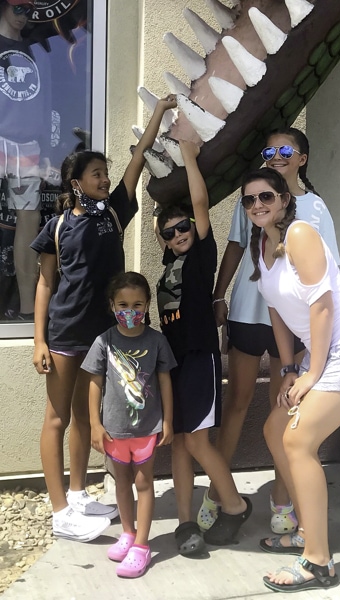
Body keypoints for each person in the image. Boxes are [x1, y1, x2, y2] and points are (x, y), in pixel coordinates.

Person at [30, 95, 177, 542]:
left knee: (82, 416)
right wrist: (39, 341)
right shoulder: (57, 227)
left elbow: (137, 160)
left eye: (105, 173)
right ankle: (60, 513)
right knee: (57, 417)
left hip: (105, 337)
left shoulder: (114, 213)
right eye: (96, 173)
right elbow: (44, 285)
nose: (106, 178)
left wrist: (158, 114)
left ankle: (78, 495)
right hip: (66, 333)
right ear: (76, 182)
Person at [241, 166, 340, 592]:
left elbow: (322, 306)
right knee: (275, 427)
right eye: (249, 200)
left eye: (266, 197)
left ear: (284, 199)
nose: (257, 206)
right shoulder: (261, 246)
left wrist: (313, 374)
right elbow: (276, 310)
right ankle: (308, 532)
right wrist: (289, 369)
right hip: (321, 353)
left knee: (297, 439)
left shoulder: (301, 235)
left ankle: (318, 563)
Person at [198, 127, 340, 535]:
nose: (276, 155)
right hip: (247, 311)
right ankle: (218, 492)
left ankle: (282, 501)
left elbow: (330, 271)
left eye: (285, 149)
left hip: (292, 323)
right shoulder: (254, 197)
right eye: (269, 150)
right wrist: (218, 294)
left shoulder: (315, 207)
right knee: (237, 402)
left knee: (285, 412)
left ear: (303, 158)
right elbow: (235, 247)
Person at [155, 139, 252, 556]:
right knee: (179, 443)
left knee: (196, 441)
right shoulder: (167, 269)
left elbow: (199, 202)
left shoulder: (200, 256)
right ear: (162, 240)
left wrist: (190, 159)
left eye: (184, 227)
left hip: (198, 359)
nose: (179, 234)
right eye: (169, 232)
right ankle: (185, 523)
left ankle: (235, 505)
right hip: (172, 365)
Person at [81, 271, 175, 578]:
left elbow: (164, 382)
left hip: (147, 430)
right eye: (123, 304)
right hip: (114, 429)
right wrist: (95, 424)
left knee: (144, 483)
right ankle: (128, 533)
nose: (130, 311)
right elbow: (94, 384)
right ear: (111, 305)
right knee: (121, 482)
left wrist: (168, 421)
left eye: (137, 304)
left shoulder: (157, 341)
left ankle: (142, 546)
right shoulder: (103, 342)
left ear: (147, 305)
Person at [0, 0, 52, 320]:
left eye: (29, 11)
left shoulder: (37, 51)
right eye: (18, 8)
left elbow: (45, 102)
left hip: (27, 146)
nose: (24, 17)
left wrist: (47, 148)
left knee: (29, 223)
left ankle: (26, 307)